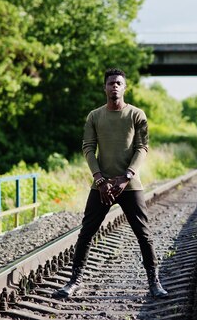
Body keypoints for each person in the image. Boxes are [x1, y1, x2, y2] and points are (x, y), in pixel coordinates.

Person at [53, 68, 168, 299]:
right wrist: (99, 178)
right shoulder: (94, 116)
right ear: (104, 88)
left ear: (124, 87)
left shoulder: (137, 115)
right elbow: (88, 148)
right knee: (86, 233)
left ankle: (154, 282)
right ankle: (75, 281)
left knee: (143, 234)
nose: (114, 86)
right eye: (110, 83)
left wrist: (127, 176)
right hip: (102, 185)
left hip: (129, 183)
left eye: (118, 83)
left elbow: (142, 148)